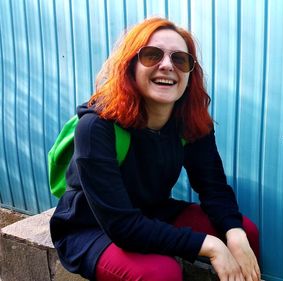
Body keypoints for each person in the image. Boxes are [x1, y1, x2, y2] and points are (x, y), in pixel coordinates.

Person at [49, 17, 260, 281]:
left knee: (245, 231)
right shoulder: (96, 127)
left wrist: (234, 233)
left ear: (189, 73)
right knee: (161, 273)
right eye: (152, 55)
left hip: (153, 211)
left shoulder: (189, 121)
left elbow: (214, 187)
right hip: (93, 227)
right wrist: (211, 246)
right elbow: (122, 226)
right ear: (130, 66)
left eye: (180, 60)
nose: (167, 66)